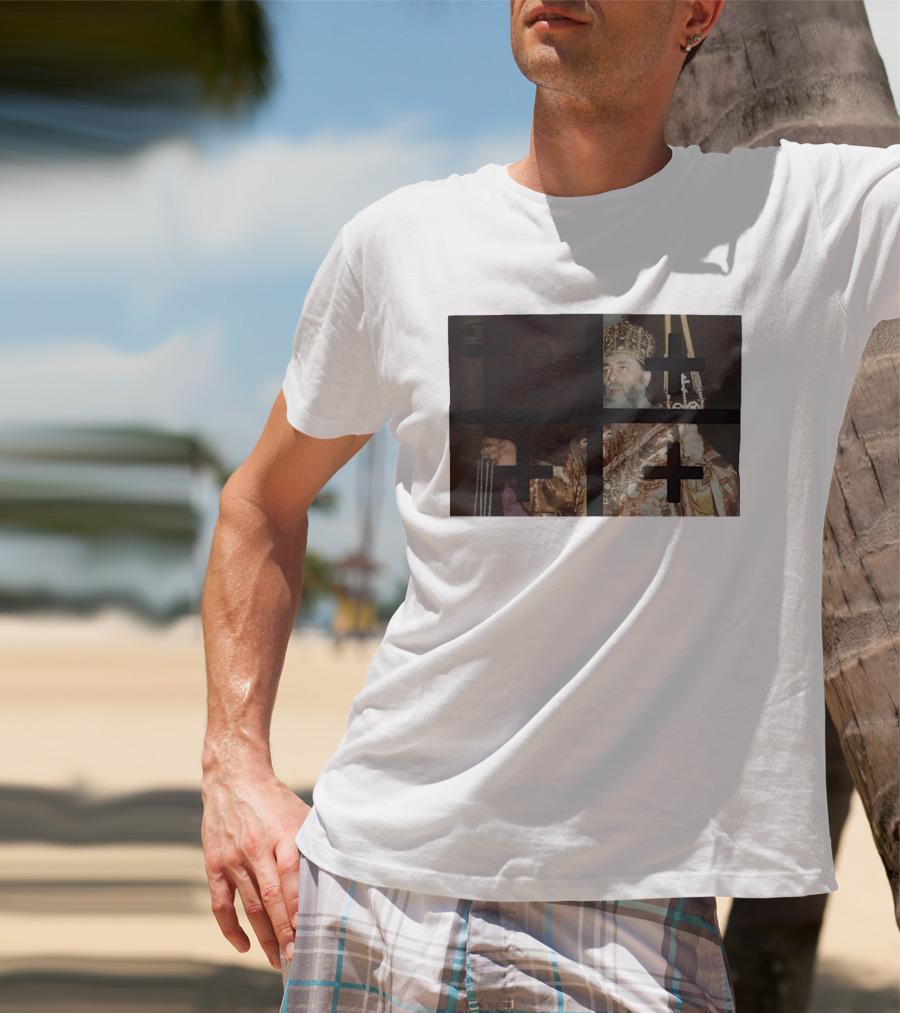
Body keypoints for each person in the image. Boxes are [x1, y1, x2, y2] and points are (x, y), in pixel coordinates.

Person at [200, 2, 899, 1011]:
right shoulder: (399, 246)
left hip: (627, 928)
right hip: (367, 894)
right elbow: (259, 502)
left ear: (698, 15)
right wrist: (235, 766)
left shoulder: (805, 220)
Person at [480, 319, 740, 516]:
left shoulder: (674, 431)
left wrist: (699, 469)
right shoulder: (591, 439)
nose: (611, 377)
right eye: (606, 369)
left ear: (646, 377)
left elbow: (726, 497)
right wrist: (517, 463)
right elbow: (558, 488)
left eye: (622, 367)